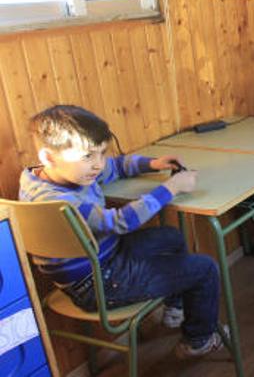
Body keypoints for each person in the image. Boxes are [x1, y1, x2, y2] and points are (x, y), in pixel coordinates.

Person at [19, 105, 225, 358]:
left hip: (100, 263)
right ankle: (198, 340)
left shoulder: (41, 177)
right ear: (48, 157)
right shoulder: (58, 202)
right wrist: (171, 187)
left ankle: (175, 308)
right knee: (205, 269)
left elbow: (114, 167)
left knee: (170, 237)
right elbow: (121, 222)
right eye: (88, 157)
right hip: (99, 284)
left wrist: (153, 163)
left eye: (101, 153)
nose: (97, 165)